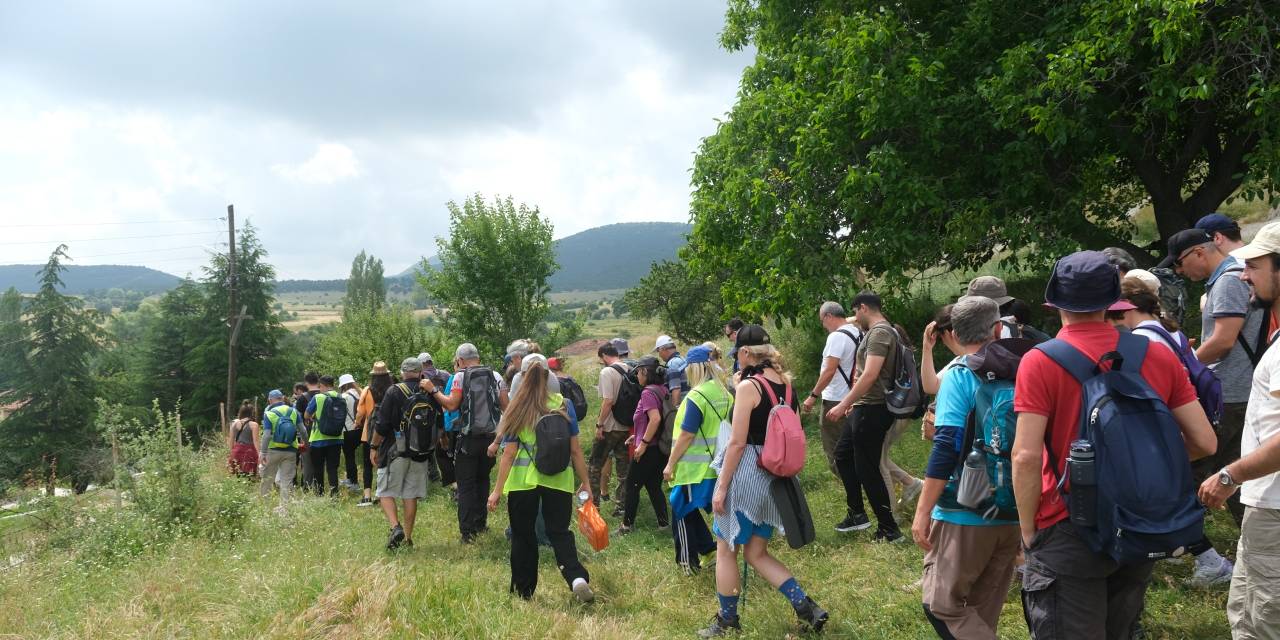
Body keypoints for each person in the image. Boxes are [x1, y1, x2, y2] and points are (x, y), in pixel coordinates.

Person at [1012, 250, 1216, 639]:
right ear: (1114, 300)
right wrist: (1135, 471)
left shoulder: (1040, 361)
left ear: (1054, 303)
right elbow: (1204, 441)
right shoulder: (1156, 352)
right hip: (1141, 519)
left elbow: (1025, 455)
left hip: (1067, 521)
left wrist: (1028, 531)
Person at [700, 324, 827, 637]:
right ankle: (807, 608)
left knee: (727, 547)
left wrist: (722, 486)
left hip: (745, 473)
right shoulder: (786, 383)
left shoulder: (748, 387)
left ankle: (727, 621)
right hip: (773, 475)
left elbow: (737, 442)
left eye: (738, 355)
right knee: (756, 553)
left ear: (745, 353)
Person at [911, 296, 1021, 639]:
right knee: (981, 610)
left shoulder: (960, 375)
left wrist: (922, 510)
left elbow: (946, 447)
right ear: (998, 329)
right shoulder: (1023, 368)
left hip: (966, 510)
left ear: (954, 333)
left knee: (941, 605)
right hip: (1014, 507)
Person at [1196, 221, 1280, 638]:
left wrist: (1231, 474)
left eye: (1256, 266)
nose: (1244, 275)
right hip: (1264, 504)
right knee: (1246, 615)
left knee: (1266, 620)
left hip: (1275, 506)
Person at [1171, 226, 1264, 531]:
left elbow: (1224, 341)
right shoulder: (1234, 277)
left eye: (1179, 263)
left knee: (1191, 468)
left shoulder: (1227, 281)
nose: (1179, 271)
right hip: (1240, 392)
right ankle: (1249, 541)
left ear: (1198, 252)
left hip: (1228, 393)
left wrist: (1184, 366)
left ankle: (1193, 549)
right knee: (1237, 475)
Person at [487, 360, 595, 602]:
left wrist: (496, 490)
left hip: (523, 484)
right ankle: (576, 578)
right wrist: (586, 482)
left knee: (523, 536)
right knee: (559, 532)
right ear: (549, 377)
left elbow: (509, 453)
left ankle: (523, 591)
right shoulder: (564, 405)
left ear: (522, 377)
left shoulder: (518, 406)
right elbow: (576, 451)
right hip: (558, 480)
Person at [825, 291, 906, 540]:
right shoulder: (878, 329)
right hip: (863, 406)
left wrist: (843, 404)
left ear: (862, 308)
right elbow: (852, 320)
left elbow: (870, 374)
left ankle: (889, 528)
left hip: (874, 408)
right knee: (843, 455)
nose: (853, 317)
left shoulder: (880, 333)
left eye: (855, 311)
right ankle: (857, 514)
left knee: (868, 468)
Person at [421, 343, 507, 543]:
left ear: (459, 360)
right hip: (490, 439)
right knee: (483, 480)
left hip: (468, 439)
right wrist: (499, 438)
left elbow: (451, 404)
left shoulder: (460, 377)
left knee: (466, 485)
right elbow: (507, 408)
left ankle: (467, 533)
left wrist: (433, 389)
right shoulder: (496, 376)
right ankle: (480, 523)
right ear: (478, 357)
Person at [664, 344, 728, 574]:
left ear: (693, 369)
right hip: (716, 465)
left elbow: (687, 434)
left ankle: (686, 563)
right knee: (688, 509)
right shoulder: (723, 392)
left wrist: (670, 464)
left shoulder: (696, 396)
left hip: (693, 468)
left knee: (680, 509)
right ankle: (709, 550)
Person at [370, 357, 437, 550]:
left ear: (401, 373)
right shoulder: (429, 391)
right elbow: (438, 423)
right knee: (410, 495)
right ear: (420, 372)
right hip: (421, 453)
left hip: (395, 451)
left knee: (384, 492)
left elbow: (381, 426)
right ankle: (407, 538)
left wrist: (374, 448)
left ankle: (395, 527)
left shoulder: (393, 391)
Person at [800, 301, 861, 478]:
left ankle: (849, 481)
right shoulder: (856, 331)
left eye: (822, 320)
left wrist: (813, 395)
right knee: (852, 442)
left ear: (828, 316)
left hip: (835, 398)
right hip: (852, 395)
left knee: (833, 444)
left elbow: (829, 370)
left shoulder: (835, 337)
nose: (823, 324)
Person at [617, 356, 671, 535]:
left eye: (638, 372)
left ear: (645, 372)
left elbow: (655, 419)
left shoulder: (647, 392)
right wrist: (637, 436)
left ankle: (626, 526)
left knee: (631, 485)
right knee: (654, 486)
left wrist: (643, 443)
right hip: (660, 448)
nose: (637, 376)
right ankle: (664, 524)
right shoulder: (662, 389)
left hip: (649, 449)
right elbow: (651, 420)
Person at [590, 342, 631, 513]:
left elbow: (607, 401)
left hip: (609, 427)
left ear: (604, 356)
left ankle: (593, 506)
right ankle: (621, 506)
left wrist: (599, 424)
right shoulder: (629, 368)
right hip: (626, 426)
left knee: (594, 465)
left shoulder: (607, 371)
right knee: (623, 468)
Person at [354, 361, 393, 507]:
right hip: (388, 432)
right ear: (387, 375)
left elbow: (360, 413)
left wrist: (357, 423)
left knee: (367, 463)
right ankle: (380, 493)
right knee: (385, 462)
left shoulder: (367, 390)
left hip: (370, 431)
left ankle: (367, 496)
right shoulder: (392, 389)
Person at [259, 389, 305, 511]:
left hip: (273, 450)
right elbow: (303, 430)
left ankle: (265, 508)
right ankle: (284, 509)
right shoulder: (294, 411)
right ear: (282, 398)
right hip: (290, 451)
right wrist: (306, 443)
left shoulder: (269, 413)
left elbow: (267, 435)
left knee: (267, 479)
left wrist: (263, 452)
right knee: (286, 481)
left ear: (270, 400)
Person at [304, 375, 345, 497]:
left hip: (318, 439)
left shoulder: (318, 397)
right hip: (337, 438)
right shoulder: (340, 397)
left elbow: (306, 415)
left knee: (318, 468)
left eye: (320, 386)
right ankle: (334, 494)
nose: (319, 389)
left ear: (324, 385)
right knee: (332, 468)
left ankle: (319, 493)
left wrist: (313, 415)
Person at [337, 373, 363, 492]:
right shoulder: (361, 393)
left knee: (349, 456)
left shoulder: (343, 396)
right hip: (361, 429)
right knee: (353, 455)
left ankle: (353, 482)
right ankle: (350, 479)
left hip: (348, 430)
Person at [296, 372, 320, 487]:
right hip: (323, 433)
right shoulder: (324, 395)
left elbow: (297, 419)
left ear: (306, 383)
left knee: (307, 462)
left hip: (307, 433)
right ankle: (319, 485)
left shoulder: (302, 398)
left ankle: (307, 486)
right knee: (321, 461)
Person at [227, 400, 260, 477]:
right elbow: (256, 441)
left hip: (237, 451)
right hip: (249, 453)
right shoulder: (254, 425)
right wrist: (260, 455)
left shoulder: (234, 423)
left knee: (237, 476)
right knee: (249, 477)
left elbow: (231, 441)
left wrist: (231, 455)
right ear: (252, 413)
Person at [655, 335, 689, 407]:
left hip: (681, 407)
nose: (659, 355)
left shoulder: (672, 364)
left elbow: (676, 389)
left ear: (663, 349)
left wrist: (674, 411)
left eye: (658, 351)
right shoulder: (682, 359)